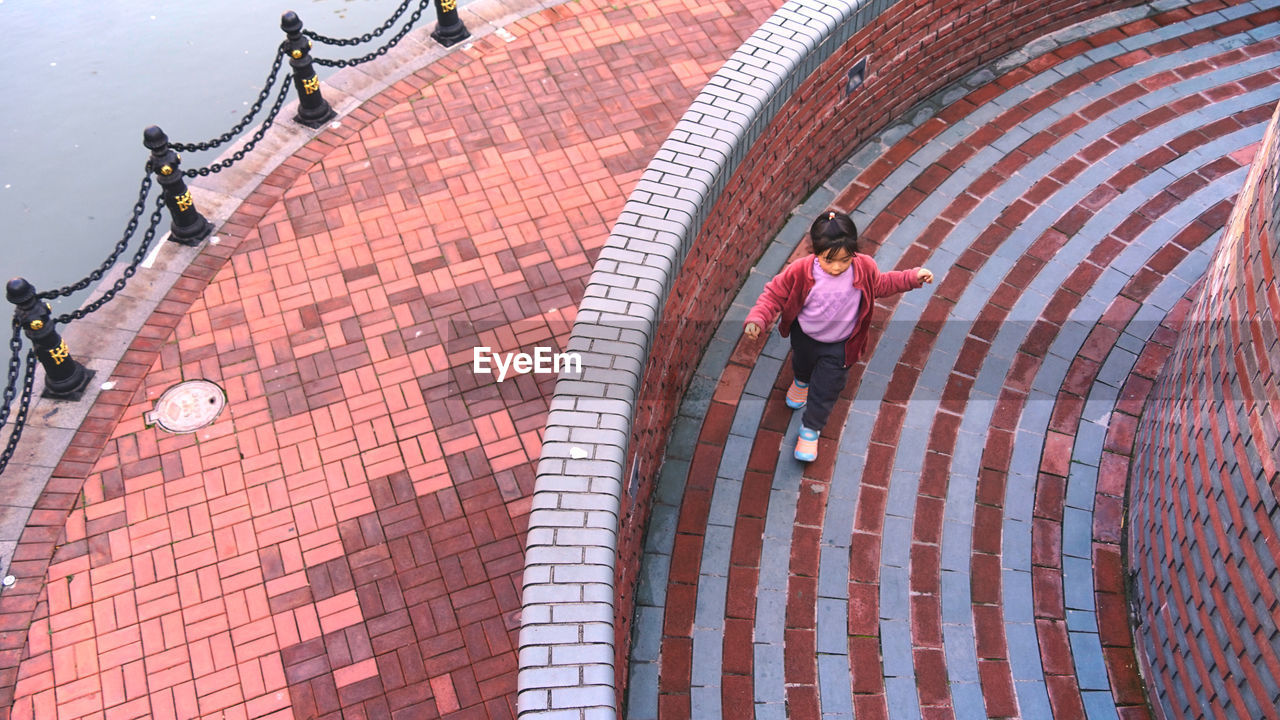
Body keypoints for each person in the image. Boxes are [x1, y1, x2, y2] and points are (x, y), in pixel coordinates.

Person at [744, 210, 934, 461]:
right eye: (828, 260)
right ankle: (801, 382)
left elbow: (882, 284)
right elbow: (774, 294)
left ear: (854, 252)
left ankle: (810, 430)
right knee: (801, 363)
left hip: (841, 345)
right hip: (805, 336)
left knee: (826, 389)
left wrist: (911, 277)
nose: (836, 267)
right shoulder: (800, 270)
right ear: (815, 252)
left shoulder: (863, 267)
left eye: (844, 260)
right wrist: (758, 318)